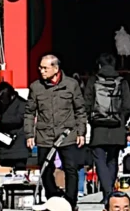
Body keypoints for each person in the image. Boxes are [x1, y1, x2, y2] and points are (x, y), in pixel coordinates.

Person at [26, 54, 91, 203]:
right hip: (44, 135)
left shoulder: (71, 85)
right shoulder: (36, 87)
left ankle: (70, 201)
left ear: (56, 69)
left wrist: (81, 132)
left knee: (71, 168)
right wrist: (30, 134)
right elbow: (29, 112)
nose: (41, 71)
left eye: (45, 68)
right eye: (40, 68)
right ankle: (53, 197)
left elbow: (80, 110)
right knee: (45, 169)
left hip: (67, 134)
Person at [84, 53, 130, 201]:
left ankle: (107, 194)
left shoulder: (93, 81)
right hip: (117, 126)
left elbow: (87, 103)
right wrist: (121, 119)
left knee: (99, 160)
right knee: (112, 160)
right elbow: (128, 106)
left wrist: (91, 119)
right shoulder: (122, 81)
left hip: (98, 127)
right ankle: (110, 193)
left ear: (99, 65)